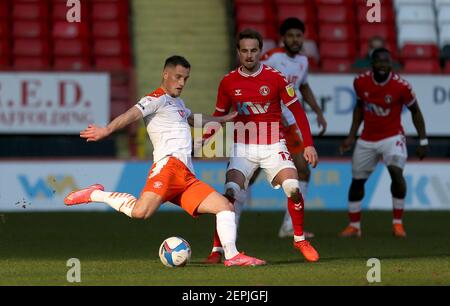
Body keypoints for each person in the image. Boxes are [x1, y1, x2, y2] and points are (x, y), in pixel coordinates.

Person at [63, 55, 265, 267]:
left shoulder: (177, 103)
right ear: (165, 74)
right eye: (177, 77)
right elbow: (131, 115)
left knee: (224, 206)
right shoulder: (155, 99)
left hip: (186, 175)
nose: (181, 83)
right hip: (168, 167)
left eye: (185, 79)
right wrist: (107, 129)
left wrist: (222, 119)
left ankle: (232, 256)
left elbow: (192, 118)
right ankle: (95, 193)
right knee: (141, 212)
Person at [203, 29, 320, 264]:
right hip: (242, 148)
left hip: (273, 145)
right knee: (229, 194)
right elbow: (219, 114)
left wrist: (309, 145)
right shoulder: (228, 82)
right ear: (238, 52)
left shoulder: (276, 78)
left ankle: (298, 239)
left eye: (253, 50)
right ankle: (218, 250)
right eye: (244, 51)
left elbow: (298, 112)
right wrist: (205, 138)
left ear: (260, 51)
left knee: (293, 187)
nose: (249, 55)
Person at [339, 48, 428, 238]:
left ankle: (398, 223)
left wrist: (423, 140)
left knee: (396, 172)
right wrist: (351, 136)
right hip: (367, 138)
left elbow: (416, 112)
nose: (383, 65)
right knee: (357, 182)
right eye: (379, 62)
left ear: (391, 64)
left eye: (386, 62)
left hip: (392, 136)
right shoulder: (360, 82)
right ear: (372, 64)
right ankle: (354, 225)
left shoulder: (401, 86)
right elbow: (359, 109)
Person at [259, 17, 327, 238]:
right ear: (283, 38)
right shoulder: (272, 58)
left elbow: (303, 87)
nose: (295, 39)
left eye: (298, 36)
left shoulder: (303, 62)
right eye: (290, 36)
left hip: (291, 126)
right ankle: (228, 215)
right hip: (269, 122)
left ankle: (289, 227)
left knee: (303, 170)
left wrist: (317, 111)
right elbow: (256, 82)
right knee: (249, 174)